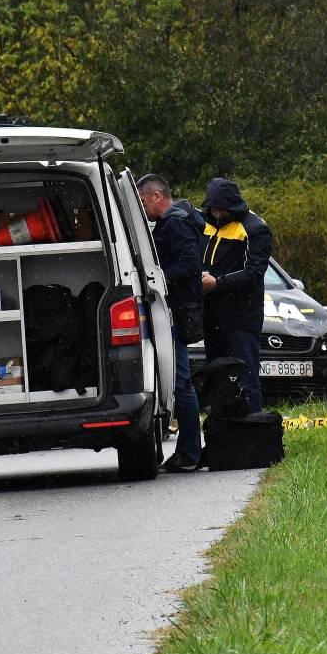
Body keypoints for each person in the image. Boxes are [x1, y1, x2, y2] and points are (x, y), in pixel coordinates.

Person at [138, 174, 205, 472]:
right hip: (177, 309)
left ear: (156, 197)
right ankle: (187, 451)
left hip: (177, 312)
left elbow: (191, 264)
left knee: (181, 383)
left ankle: (191, 453)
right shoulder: (173, 222)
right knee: (180, 382)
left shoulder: (175, 223)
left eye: (142, 201)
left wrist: (157, 277)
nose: (143, 207)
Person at [198, 177, 272, 414]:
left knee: (245, 376)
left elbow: (254, 272)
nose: (217, 213)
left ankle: (253, 433)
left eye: (221, 209)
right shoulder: (206, 223)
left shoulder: (254, 228)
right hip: (212, 316)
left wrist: (217, 283)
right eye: (213, 208)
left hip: (241, 317)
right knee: (218, 377)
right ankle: (222, 434)